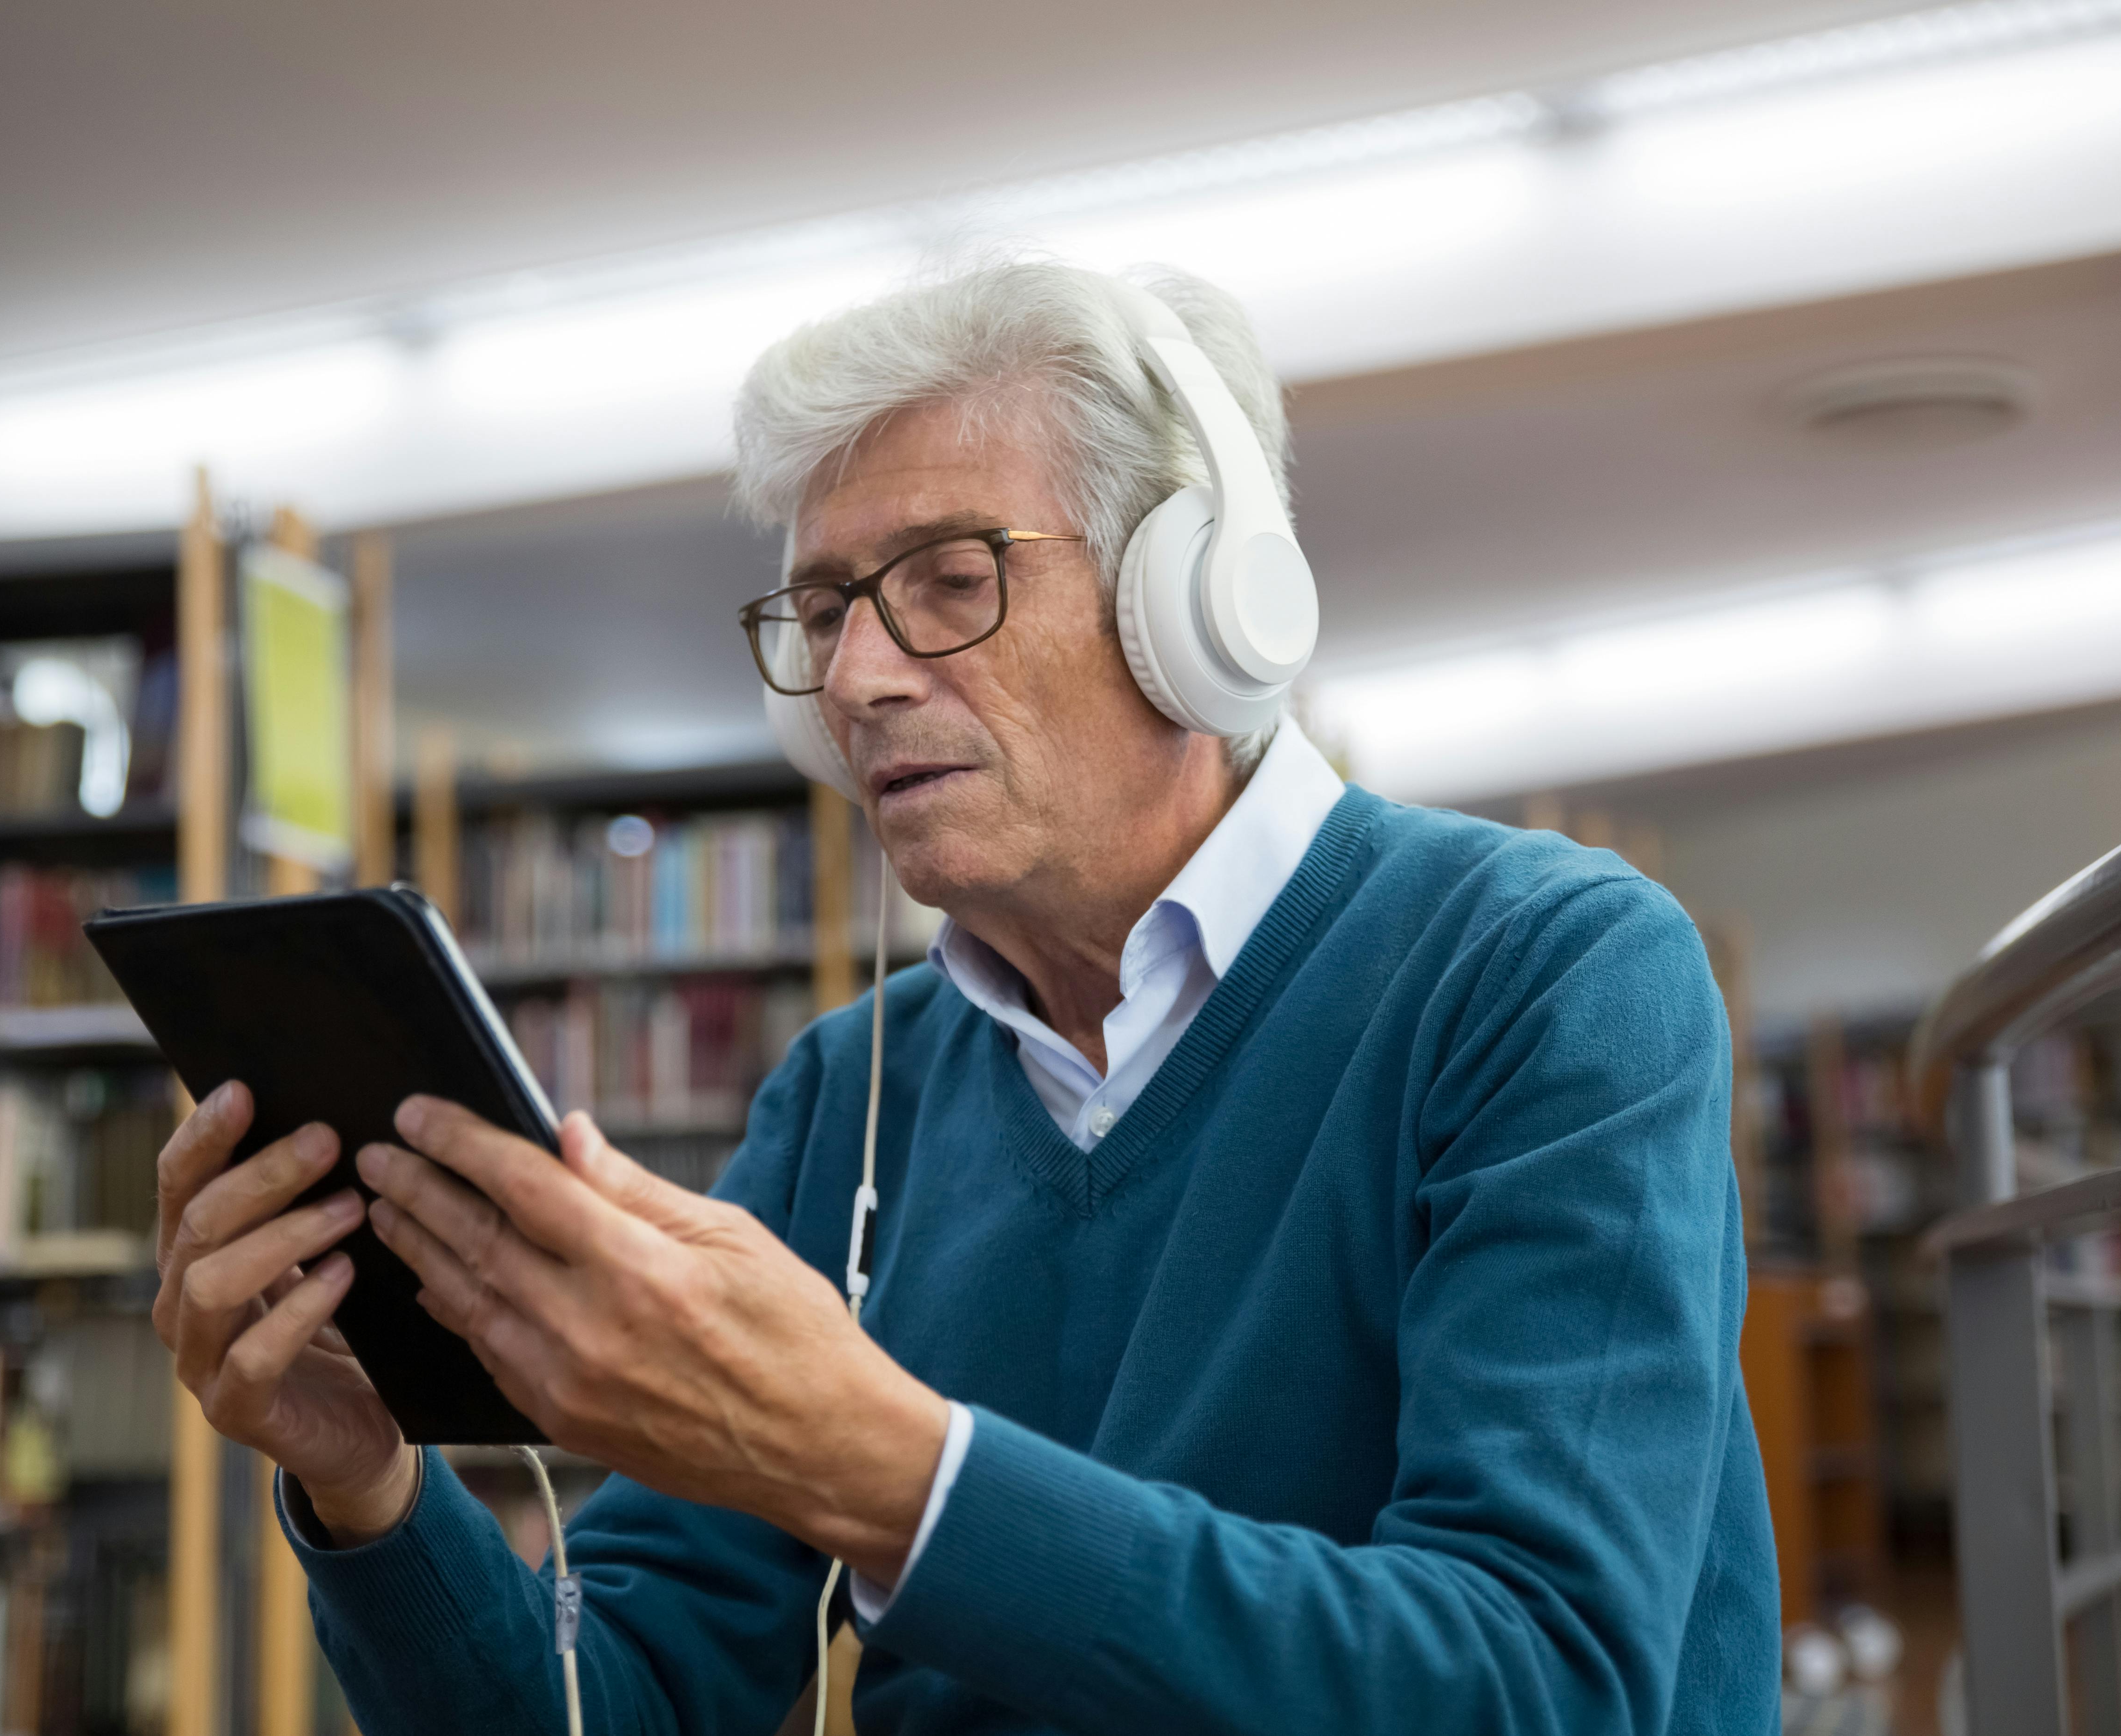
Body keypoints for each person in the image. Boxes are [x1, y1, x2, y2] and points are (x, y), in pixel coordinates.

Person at [150, 261, 1781, 1736]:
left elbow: (1542, 1680)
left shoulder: (1549, 972)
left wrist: (887, 1466)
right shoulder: (853, 1095)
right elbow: (617, 1705)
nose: (857, 678)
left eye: (947, 580)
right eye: (821, 610)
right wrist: (367, 1482)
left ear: (1201, 601)